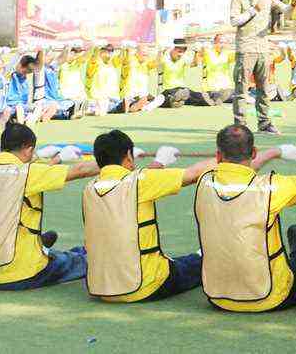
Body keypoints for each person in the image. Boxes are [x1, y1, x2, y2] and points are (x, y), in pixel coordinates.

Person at [82, 129, 216, 303]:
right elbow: (194, 174)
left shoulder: (89, 189)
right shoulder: (139, 182)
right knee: (204, 261)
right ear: (128, 156)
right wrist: (227, 157)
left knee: (182, 262)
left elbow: (133, 181)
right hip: (143, 286)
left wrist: (159, 163)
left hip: (100, 287)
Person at [194, 125, 296, 312]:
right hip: (271, 297)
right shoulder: (270, 187)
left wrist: (275, 152)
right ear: (254, 152)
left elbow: (234, 170)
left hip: (218, 298)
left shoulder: (204, 181)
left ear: (218, 156)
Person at [0, 124, 101, 289]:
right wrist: (114, 163)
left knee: (63, 256)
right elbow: (81, 170)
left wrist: (54, 159)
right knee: (82, 261)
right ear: (28, 150)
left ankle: (54, 249)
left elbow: (33, 170)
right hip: (20, 273)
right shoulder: (26, 173)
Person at [231, 0, 288, 135]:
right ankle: (240, 125)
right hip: (246, 48)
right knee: (242, 90)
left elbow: (285, 9)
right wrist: (253, 10)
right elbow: (234, 21)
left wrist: (294, 4)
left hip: (263, 48)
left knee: (264, 89)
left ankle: (264, 124)